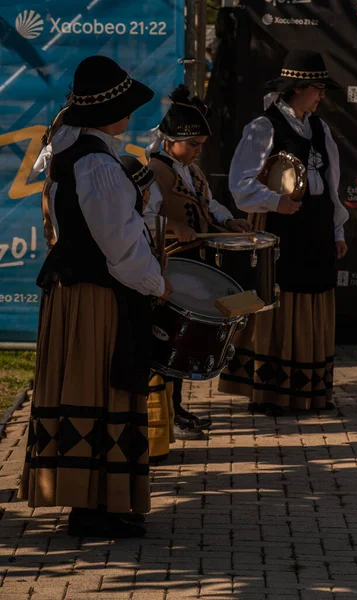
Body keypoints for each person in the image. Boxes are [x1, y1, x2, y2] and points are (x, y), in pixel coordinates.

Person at [18, 55, 173, 538]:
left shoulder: (75, 153)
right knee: (99, 386)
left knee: (95, 388)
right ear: (113, 113)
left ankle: (100, 500)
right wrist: (156, 283)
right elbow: (120, 245)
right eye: (127, 107)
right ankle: (92, 507)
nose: (131, 115)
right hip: (96, 298)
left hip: (82, 292)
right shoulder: (97, 164)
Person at [219, 49, 349, 414]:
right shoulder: (264, 127)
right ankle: (273, 393)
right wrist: (276, 203)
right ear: (298, 88)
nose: (321, 96)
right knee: (280, 298)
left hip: (316, 226)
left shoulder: (319, 128)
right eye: (318, 89)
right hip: (281, 227)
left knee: (314, 296)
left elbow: (332, 185)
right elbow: (240, 185)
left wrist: (338, 230)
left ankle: (309, 391)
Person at [144, 84, 251, 440]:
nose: (197, 152)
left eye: (201, 146)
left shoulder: (192, 170)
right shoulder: (154, 171)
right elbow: (143, 216)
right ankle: (162, 415)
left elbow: (208, 204)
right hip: (169, 265)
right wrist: (171, 225)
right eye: (192, 145)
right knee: (167, 344)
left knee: (181, 342)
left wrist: (229, 221)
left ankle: (175, 409)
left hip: (194, 262)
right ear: (171, 140)